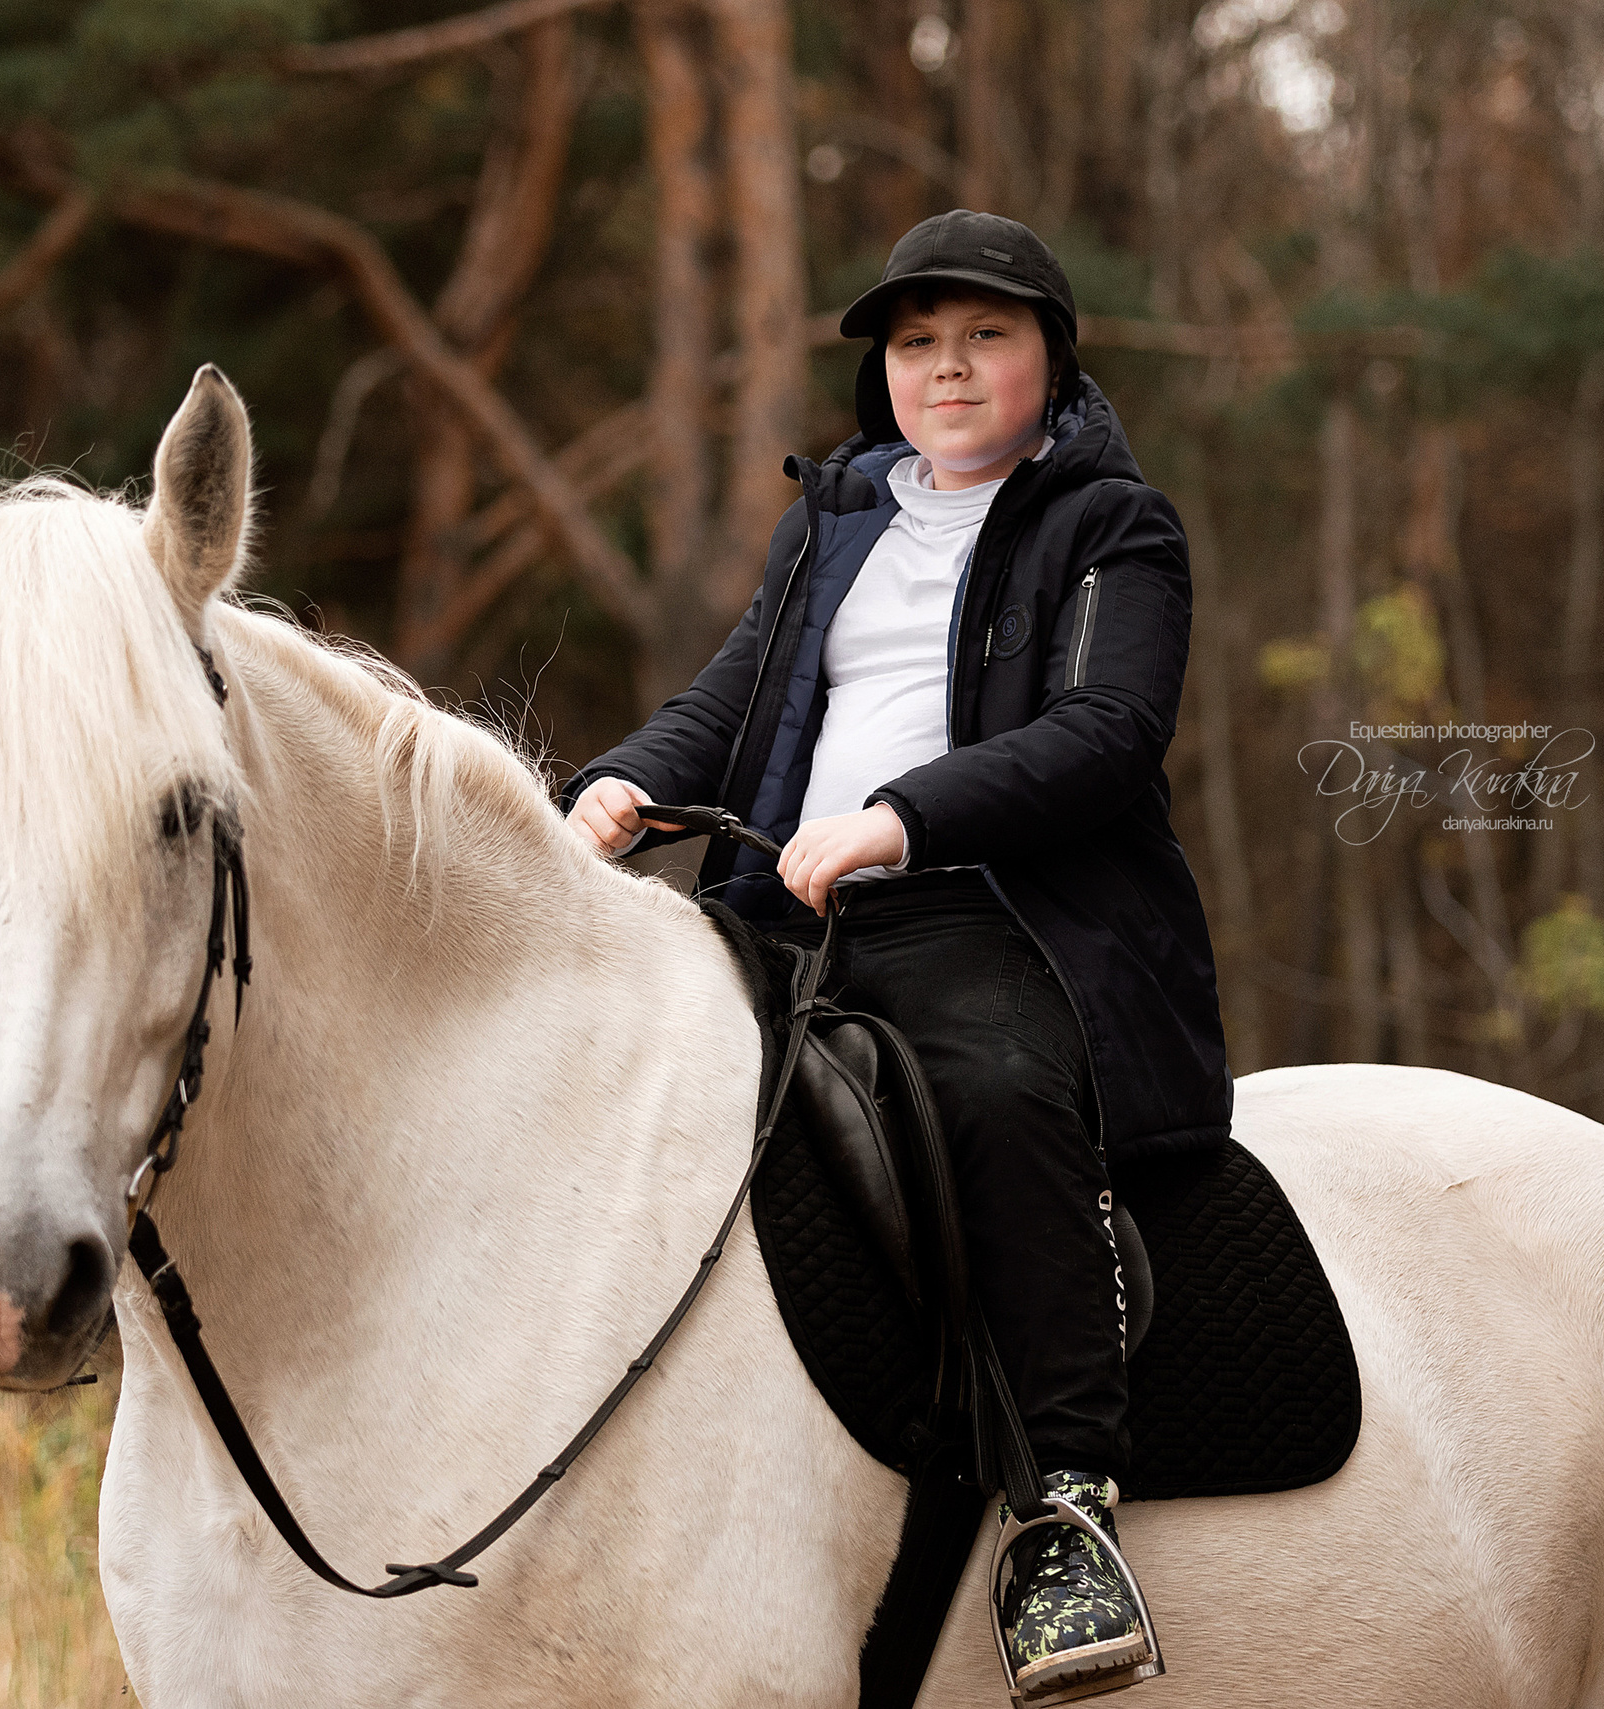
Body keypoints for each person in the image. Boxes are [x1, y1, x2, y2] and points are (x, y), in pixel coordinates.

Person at [559, 209, 1232, 1700]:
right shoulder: (837, 522)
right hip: (777, 910)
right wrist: (611, 787)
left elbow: (1106, 737)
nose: (947, 367)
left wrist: (897, 819)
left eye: (985, 335)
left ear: (1053, 358)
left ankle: (1067, 1504)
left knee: (992, 1092)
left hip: (992, 915)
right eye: (918, 342)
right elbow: (730, 702)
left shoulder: (1113, 527)